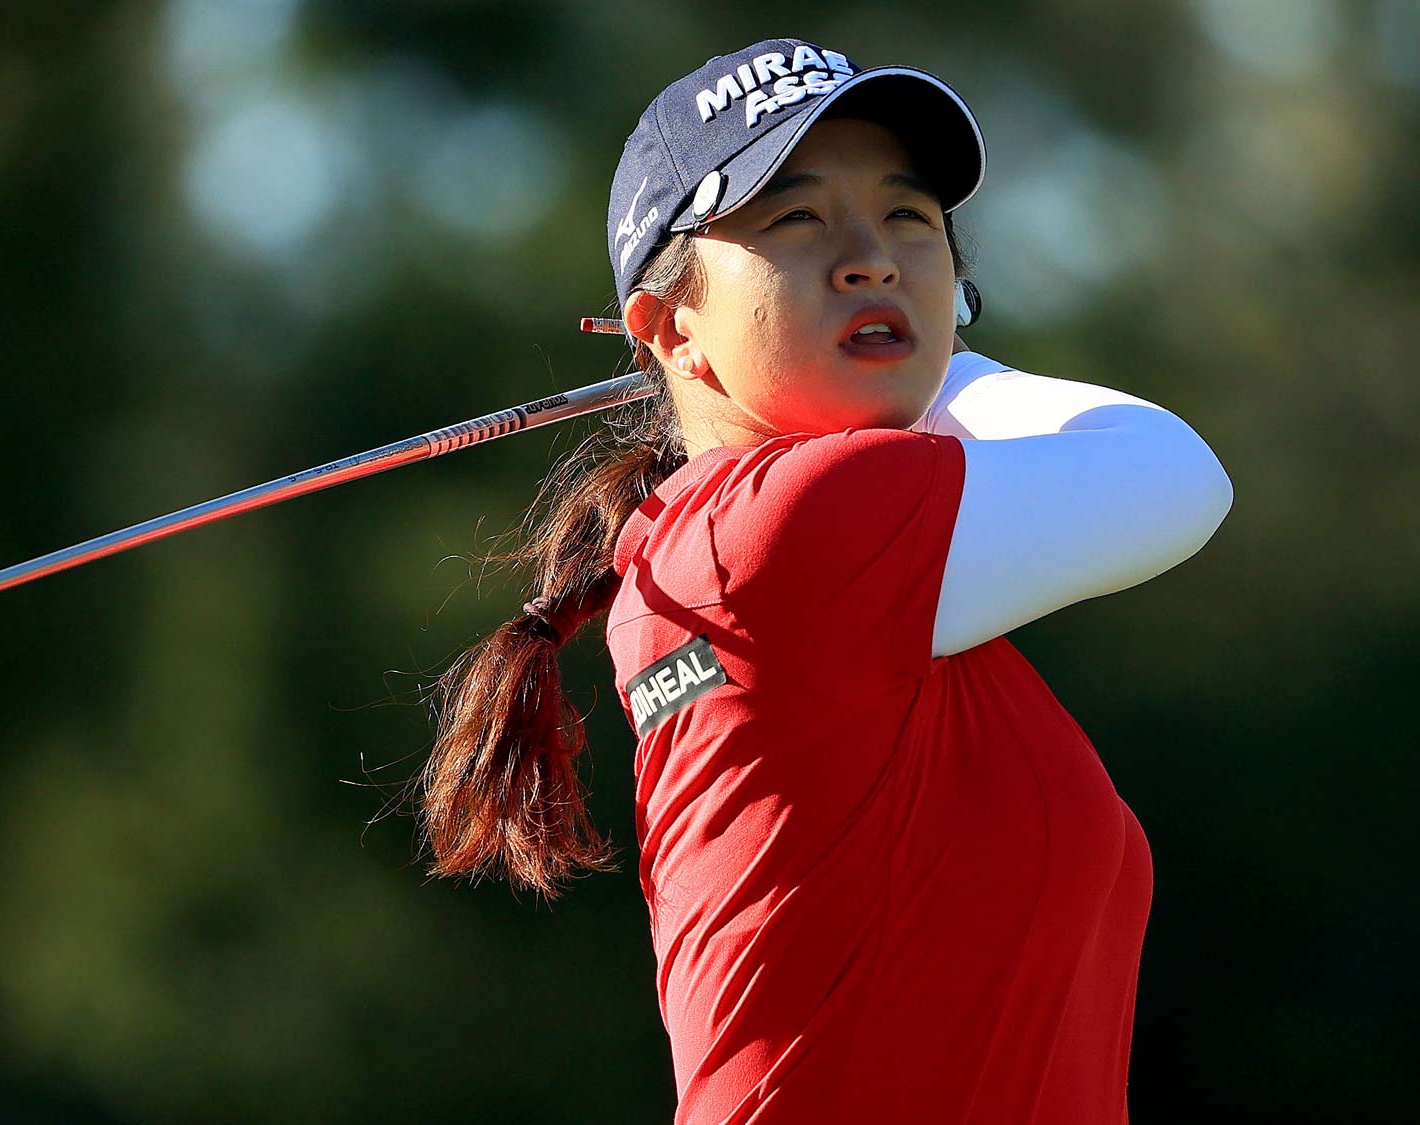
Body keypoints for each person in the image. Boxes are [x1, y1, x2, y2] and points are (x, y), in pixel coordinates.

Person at [411, 37, 1232, 1123]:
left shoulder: (719, 550)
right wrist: (952, 363)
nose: (870, 257)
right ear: (667, 328)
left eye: (908, 218)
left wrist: (923, 361)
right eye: (794, 218)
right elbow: (1173, 475)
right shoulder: (781, 534)